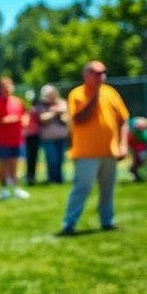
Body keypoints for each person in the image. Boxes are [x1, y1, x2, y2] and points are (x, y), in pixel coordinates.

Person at [60, 61, 130, 235]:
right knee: (82, 188)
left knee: (108, 189)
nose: (101, 77)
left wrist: (123, 144)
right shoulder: (77, 94)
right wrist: (95, 95)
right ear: (86, 75)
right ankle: (69, 223)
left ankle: (107, 221)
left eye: (103, 73)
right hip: (86, 152)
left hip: (109, 150)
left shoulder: (111, 92)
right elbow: (79, 119)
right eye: (96, 73)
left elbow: (123, 120)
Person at [0, 77, 29, 200]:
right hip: (1, 141)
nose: (8, 89)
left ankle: (16, 188)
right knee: (3, 165)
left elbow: (24, 115)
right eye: (5, 87)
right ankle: (3, 189)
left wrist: (25, 121)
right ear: (0, 89)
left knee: (15, 165)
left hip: (17, 139)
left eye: (10, 86)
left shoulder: (17, 101)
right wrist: (6, 120)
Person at [34, 84, 69, 184]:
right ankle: (52, 179)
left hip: (62, 137)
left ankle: (59, 179)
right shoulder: (41, 105)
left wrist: (59, 113)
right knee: (52, 160)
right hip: (48, 138)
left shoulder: (63, 103)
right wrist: (55, 112)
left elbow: (67, 119)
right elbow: (42, 119)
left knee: (61, 160)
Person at [127, 116, 147, 181]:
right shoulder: (133, 132)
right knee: (140, 160)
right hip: (138, 144)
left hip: (145, 143)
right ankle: (136, 171)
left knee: (145, 159)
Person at [24, 99, 41, 186]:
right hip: (29, 136)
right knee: (30, 158)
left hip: (36, 135)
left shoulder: (36, 112)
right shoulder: (26, 113)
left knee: (33, 158)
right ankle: (29, 177)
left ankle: (31, 176)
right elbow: (25, 123)